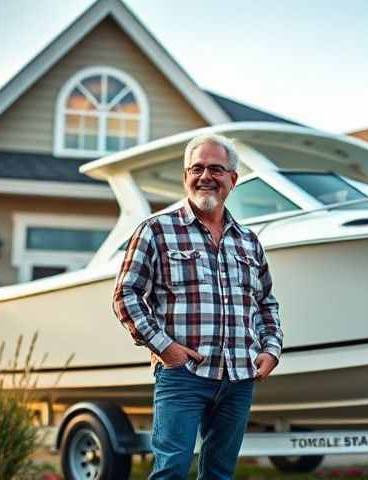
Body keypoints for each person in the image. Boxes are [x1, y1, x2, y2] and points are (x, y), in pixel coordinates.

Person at [113, 133, 283, 480]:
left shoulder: (249, 242)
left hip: (238, 377)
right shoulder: (155, 231)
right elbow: (125, 295)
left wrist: (271, 348)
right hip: (182, 377)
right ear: (185, 176)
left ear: (232, 180)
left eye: (217, 169)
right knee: (171, 470)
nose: (206, 176)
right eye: (197, 168)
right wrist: (167, 349)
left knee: (220, 473)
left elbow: (265, 301)